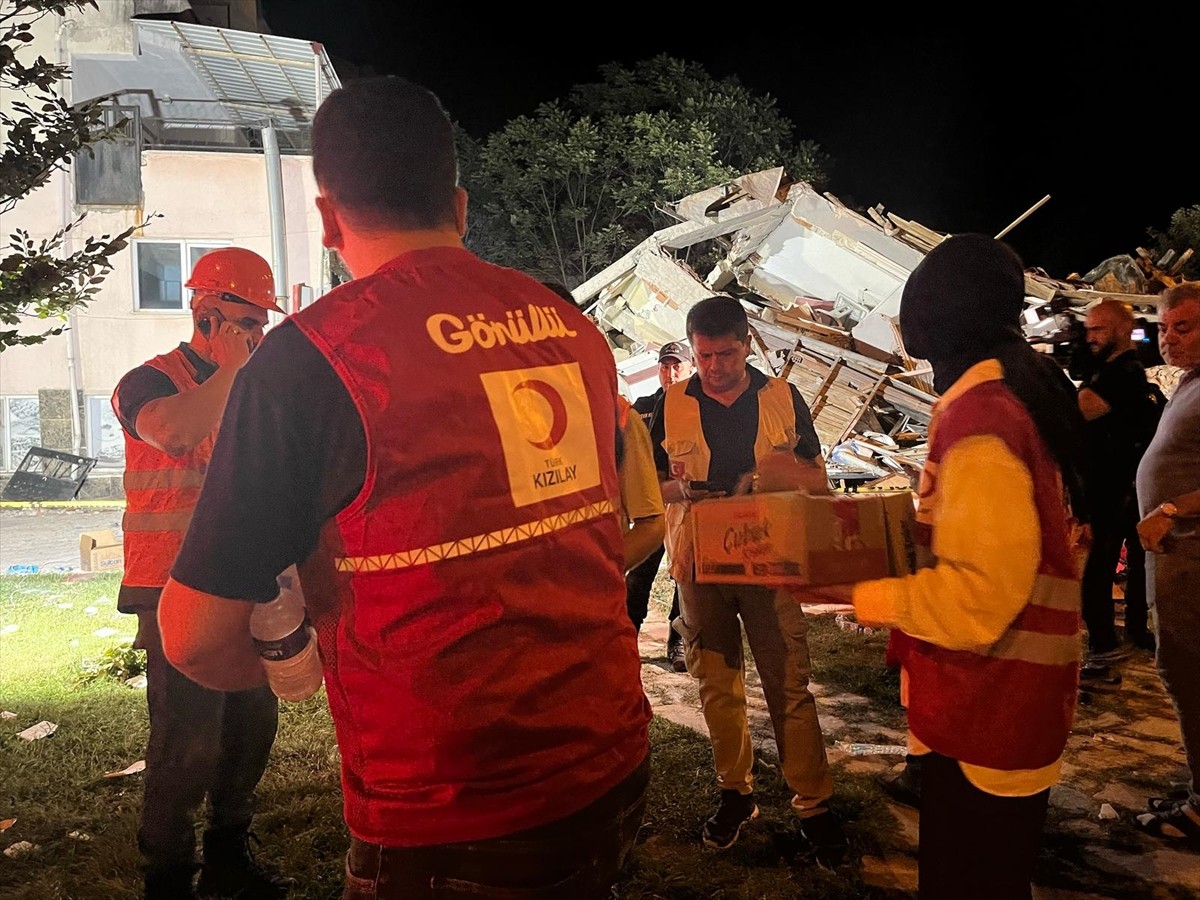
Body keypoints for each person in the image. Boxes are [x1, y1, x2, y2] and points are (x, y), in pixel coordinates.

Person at [156, 76, 652, 899]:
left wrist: (291, 668)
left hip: (450, 808)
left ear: (327, 220)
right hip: (611, 760)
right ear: (459, 206)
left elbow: (195, 638)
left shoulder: (312, 360)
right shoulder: (570, 329)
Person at [825, 234, 1086, 898]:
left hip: (989, 711)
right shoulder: (1019, 395)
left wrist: (864, 594)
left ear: (934, 329)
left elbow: (977, 601)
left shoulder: (980, 421)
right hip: (1005, 708)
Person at [110, 247, 292, 900]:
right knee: (188, 739)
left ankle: (227, 858)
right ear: (206, 312)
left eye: (262, 325)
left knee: (252, 726)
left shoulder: (255, 389)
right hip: (172, 588)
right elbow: (176, 434)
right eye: (248, 322)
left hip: (246, 584)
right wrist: (236, 370)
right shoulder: (147, 382)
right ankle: (167, 877)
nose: (258, 336)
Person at [648, 295, 844, 862]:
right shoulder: (671, 403)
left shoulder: (782, 397)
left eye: (726, 355)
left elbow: (816, 478)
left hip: (769, 562)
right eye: (704, 356)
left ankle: (813, 804)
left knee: (788, 682)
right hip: (699, 565)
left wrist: (773, 480)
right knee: (716, 681)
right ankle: (735, 793)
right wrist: (683, 490)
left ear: (747, 345)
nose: (714, 367)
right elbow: (649, 482)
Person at [1133, 281, 1200, 850]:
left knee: (1189, 671)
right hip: (1175, 554)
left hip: (1193, 555)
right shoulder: (1190, 383)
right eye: (1163, 328)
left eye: (1184, 327)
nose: (1169, 339)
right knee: (1180, 669)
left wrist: (1171, 509)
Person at [1077, 298, 1155, 664]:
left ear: (1123, 330)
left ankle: (1106, 643)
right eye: (1088, 330)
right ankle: (1130, 632)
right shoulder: (1108, 371)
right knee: (1121, 565)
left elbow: (1083, 410)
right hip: (1117, 484)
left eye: (1098, 329)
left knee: (1102, 568)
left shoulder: (1125, 373)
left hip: (1117, 488)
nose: (1090, 337)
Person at [627, 340, 693, 671]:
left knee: (684, 574)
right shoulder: (642, 407)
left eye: (677, 366)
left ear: (690, 367)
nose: (671, 373)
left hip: (686, 502)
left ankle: (677, 641)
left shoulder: (700, 406)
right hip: (651, 503)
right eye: (665, 367)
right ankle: (625, 637)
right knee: (640, 573)